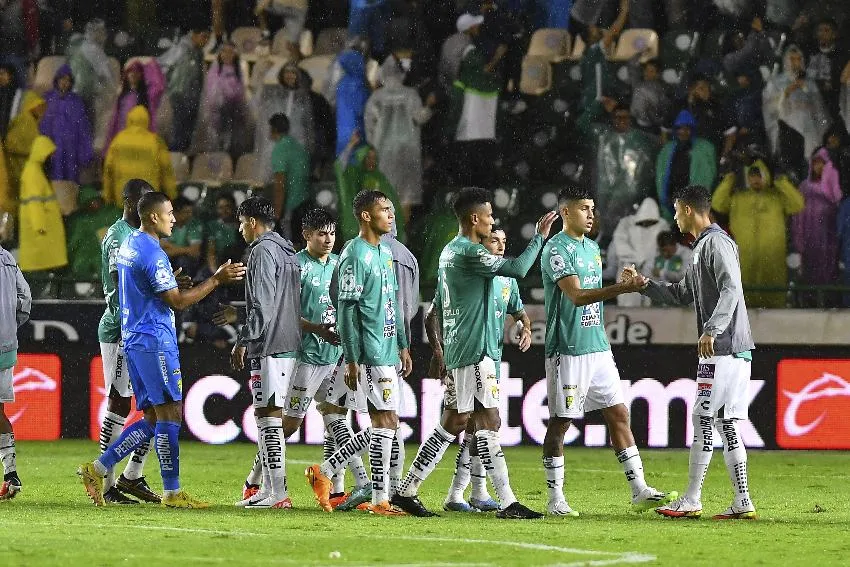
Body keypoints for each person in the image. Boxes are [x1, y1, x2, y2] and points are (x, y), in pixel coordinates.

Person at [77, 191, 246, 508]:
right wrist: (216, 279)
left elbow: (148, 289)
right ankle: (172, 492)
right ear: (153, 217)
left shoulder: (130, 245)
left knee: (155, 417)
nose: (173, 218)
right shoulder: (152, 253)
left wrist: (170, 284)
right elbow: (178, 302)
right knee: (170, 414)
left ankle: (97, 469)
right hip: (154, 339)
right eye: (169, 213)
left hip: (134, 338)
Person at [397, 187, 556, 519]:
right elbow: (518, 269)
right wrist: (539, 238)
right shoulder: (469, 252)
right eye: (489, 216)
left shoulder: (449, 252)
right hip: (475, 350)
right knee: (489, 421)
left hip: (461, 349)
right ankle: (508, 502)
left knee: (454, 421)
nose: (492, 221)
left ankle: (407, 489)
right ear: (474, 218)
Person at [540, 184, 673, 517]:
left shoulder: (591, 249)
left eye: (593, 209)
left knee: (619, 414)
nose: (591, 215)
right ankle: (555, 498)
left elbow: (596, 290)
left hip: (597, 346)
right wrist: (619, 288)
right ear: (565, 212)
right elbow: (578, 296)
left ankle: (639, 490)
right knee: (561, 423)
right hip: (568, 349)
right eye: (585, 208)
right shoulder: (556, 250)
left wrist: (622, 277)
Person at [224, 208, 368, 508]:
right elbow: (284, 311)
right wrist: (317, 329)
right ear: (306, 236)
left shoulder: (341, 265)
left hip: (337, 356)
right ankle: (255, 479)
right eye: (321, 234)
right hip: (305, 356)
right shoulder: (296, 264)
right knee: (286, 426)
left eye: (331, 233)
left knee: (336, 419)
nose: (328, 240)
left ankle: (347, 486)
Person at [633, 184, 758, 520]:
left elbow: (732, 288)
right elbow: (681, 293)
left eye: (675, 211)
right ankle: (742, 501)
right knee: (724, 422)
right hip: (735, 348)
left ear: (688, 209)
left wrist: (712, 328)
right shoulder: (703, 246)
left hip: (723, 347)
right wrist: (645, 285)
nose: (673, 218)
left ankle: (691, 498)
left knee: (703, 418)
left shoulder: (716, 243)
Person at [305, 190, 413, 516]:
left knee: (386, 422)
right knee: (386, 421)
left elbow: (392, 304)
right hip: (368, 351)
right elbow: (346, 311)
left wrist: (404, 345)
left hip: (388, 348)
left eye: (391, 210)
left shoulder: (383, 252)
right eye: (384, 210)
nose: (391, 215)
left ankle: (327, 472)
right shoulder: (355, 255)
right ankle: (380, 499)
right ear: (366, 216)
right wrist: (352, 358)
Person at [223, 196, 301, 509]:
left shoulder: (260, 252)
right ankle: (268, 492)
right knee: (269, 415)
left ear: (252, 222)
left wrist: (244, 338)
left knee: (268, 416)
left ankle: (278, 494)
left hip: (269, 343)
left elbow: (263, 304)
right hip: (290, 342)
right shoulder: (288, 251)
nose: (240, 229)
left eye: (241, 223)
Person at [95, 179, 161, 505]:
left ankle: (132, 476)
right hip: (122, 330)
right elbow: (122, 286)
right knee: (119, 402)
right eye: (146, 199)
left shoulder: (137, 237)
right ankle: (105, 482)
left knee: (154, 405)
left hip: (139, 328)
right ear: (131, 200)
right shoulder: (118, 236)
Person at [712, 161, 805, 308]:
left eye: (759, 176)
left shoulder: (777, 197)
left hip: (773, 257)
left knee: (773, 296)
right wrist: (729, 180)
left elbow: (798, 204)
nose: (755, 180)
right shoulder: (738, 198)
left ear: (766, 177)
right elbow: (718, 203)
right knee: (745, 297)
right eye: (752, 176)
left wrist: (782, 182)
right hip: (745, 256)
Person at [576, 100, 658, 245]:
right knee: (605, 235)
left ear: (631, 119)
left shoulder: (640, 139)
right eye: (617, 117)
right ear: (612, 118)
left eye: (625, 117)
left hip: (629, 196)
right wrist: (598, 104)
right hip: (603, 194)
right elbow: (582, 123)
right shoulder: (603, 135)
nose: (621, 121)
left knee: (626, 236)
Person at [365, 54, 436, 219]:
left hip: (384, 154)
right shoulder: (411, 94)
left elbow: (370, 127)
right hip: (407, 152)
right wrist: (429, 105)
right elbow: (420, 117)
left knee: (383, 196)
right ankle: (402, 239)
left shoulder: (376, 97)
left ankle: (384, 240)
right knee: (406, 196)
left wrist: (373, 147)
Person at [763, 45, 831, 179]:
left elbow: (820, 110)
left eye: (799, 59)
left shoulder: (810, 83)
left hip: (810, 134)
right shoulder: (775, 82)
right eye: (792, 59)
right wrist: (787, 92)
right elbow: (770, 110)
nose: (796, 62)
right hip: (788, 135)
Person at [39, 64, 94, 216]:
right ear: (56, 80)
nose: (64, 83)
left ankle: (70, 214)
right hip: (53, 149)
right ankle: (54, 214)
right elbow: (42, 125)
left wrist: (85, 152)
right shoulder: (48, 99)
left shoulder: (76, 102)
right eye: (62, 79)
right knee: (53, 180)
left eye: (68, 80)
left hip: (71, 150)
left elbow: (83, 128)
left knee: (71, 181)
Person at [0, 231, 31, 500]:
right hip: (5, 348)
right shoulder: (8, 258)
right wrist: (8, 329)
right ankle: (11, 474)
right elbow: (26, 300)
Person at [335, 131, 405, 244]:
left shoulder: (381, 179)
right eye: (368, 157)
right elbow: (339, 168)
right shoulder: (355, 176)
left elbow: (392, 206)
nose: (371, 161)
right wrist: (350, 145)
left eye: (373, 157)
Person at [791, 148, 843, 300]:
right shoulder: (804, 187)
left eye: (822, 164)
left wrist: (830, 176)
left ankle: (827, 300)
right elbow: (798, 216)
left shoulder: (831, 188)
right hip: (809, 238)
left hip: (827, 240)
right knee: (809, 273)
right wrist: (799, 239)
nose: (818, 167)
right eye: (815, 163)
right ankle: (810, 301)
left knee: (827, 272)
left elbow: (836, 199)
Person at [102, 106, 177, 207]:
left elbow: (108, 169)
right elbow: (166, 169)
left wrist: (108, 196)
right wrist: (172, 194)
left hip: (123, 194)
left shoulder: (119, 140)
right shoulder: (155, 141)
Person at [190, 42, 254, 158]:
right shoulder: (214, 71)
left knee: (233, 147)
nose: (227, 55)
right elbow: (209, 94)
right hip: (216, 115)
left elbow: (242, 92)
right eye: (224, 51)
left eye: (230, 52)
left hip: (235, 114)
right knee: (216, 146)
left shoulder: (239, 70)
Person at [254, 63, 314, 184]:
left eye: (293, 72)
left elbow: (307, 124)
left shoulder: (303, 97)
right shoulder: (273, 94)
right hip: (275, 142)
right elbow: (266, 120)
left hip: (297, 141)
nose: (290, 76)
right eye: (287, 72)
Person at [603, 197, 670, 307]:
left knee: (651, 306)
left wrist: (648, 262)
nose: (647, 224)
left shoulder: (662, 225)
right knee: (628, 303)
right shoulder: (626, 223)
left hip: (651, 269)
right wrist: (637, 259)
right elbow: (620, 243)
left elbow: (663, 246)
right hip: (628, 268)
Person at [17, 135, 67, 276]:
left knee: (42, 263)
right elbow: (34, 202)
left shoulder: (36, 170)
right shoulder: (33, 173)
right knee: (40, 264)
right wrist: (40, 225)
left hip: (43, 226)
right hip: (41, 229)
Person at [656, 110, 717, 222]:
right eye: (680, 128)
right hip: (671, 203)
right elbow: (660, 176)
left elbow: (707, 177)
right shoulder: (667, 150)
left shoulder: (704, 149)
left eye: (687, 128)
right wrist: (665, 200)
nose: (683, 132)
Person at [67, 19, 118, 147]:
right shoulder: (94, 50)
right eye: (102, 32)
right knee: (88, 128)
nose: (104, 35)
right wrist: (113, 93)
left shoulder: (76, 47)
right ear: (96, 33)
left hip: (72, 93)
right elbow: (106, 75)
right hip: (86, 94)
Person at [1, 65, 45, 215]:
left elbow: (39, 118)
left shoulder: (26, 97)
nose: (1, 78)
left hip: (18, 153)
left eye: (3, 73)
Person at [158, 25, 209, 152]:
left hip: (193, 97)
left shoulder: (198, 53)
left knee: (188, 133)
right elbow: (162, 66)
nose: (206, 41)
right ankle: (175, 160)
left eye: (208, 37)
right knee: (179, 131)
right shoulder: (180, 49)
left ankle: (182, 159)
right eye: (204, 36)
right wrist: (170, 88)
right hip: (180, 96)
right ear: (194, 35)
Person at [104, 59, 167, 155]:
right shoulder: (122, 96)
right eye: (130, 72)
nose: (133, 74)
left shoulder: (148, 97)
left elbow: (158, 86)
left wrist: (148, 63)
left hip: (141, 142)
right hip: (122, 141)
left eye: (137, 71)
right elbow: (114, 123)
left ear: (142, 75)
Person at [65, 186, 121, 283]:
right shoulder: (79, 221)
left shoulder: (113, 213)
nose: (93, 204)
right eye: (89, 202)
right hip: (87, 258)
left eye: (95, 200)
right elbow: (74, 244)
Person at [268, 113, 310, 238]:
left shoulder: (280, 149)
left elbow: (280, 182)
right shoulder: (298, 147)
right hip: (306, 202)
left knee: (289, 246)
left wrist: (277, 214)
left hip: (292, 206)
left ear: (273, 129)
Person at [335, 46, 370, 157]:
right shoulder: (358, 84)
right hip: (357, 131)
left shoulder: (342, 83)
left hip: (343, 131)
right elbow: (360, 110)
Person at [161, 196, 203, 276]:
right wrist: (187, 250)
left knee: (182, 261)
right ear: (176, 213)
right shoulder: (167, 224)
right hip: (171, 258)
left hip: (188, 261)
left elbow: (195, 252)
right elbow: (161, 247)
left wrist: (170, 246)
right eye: (186, 212)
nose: (190, 215)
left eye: (191, 212)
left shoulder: (194, 224)